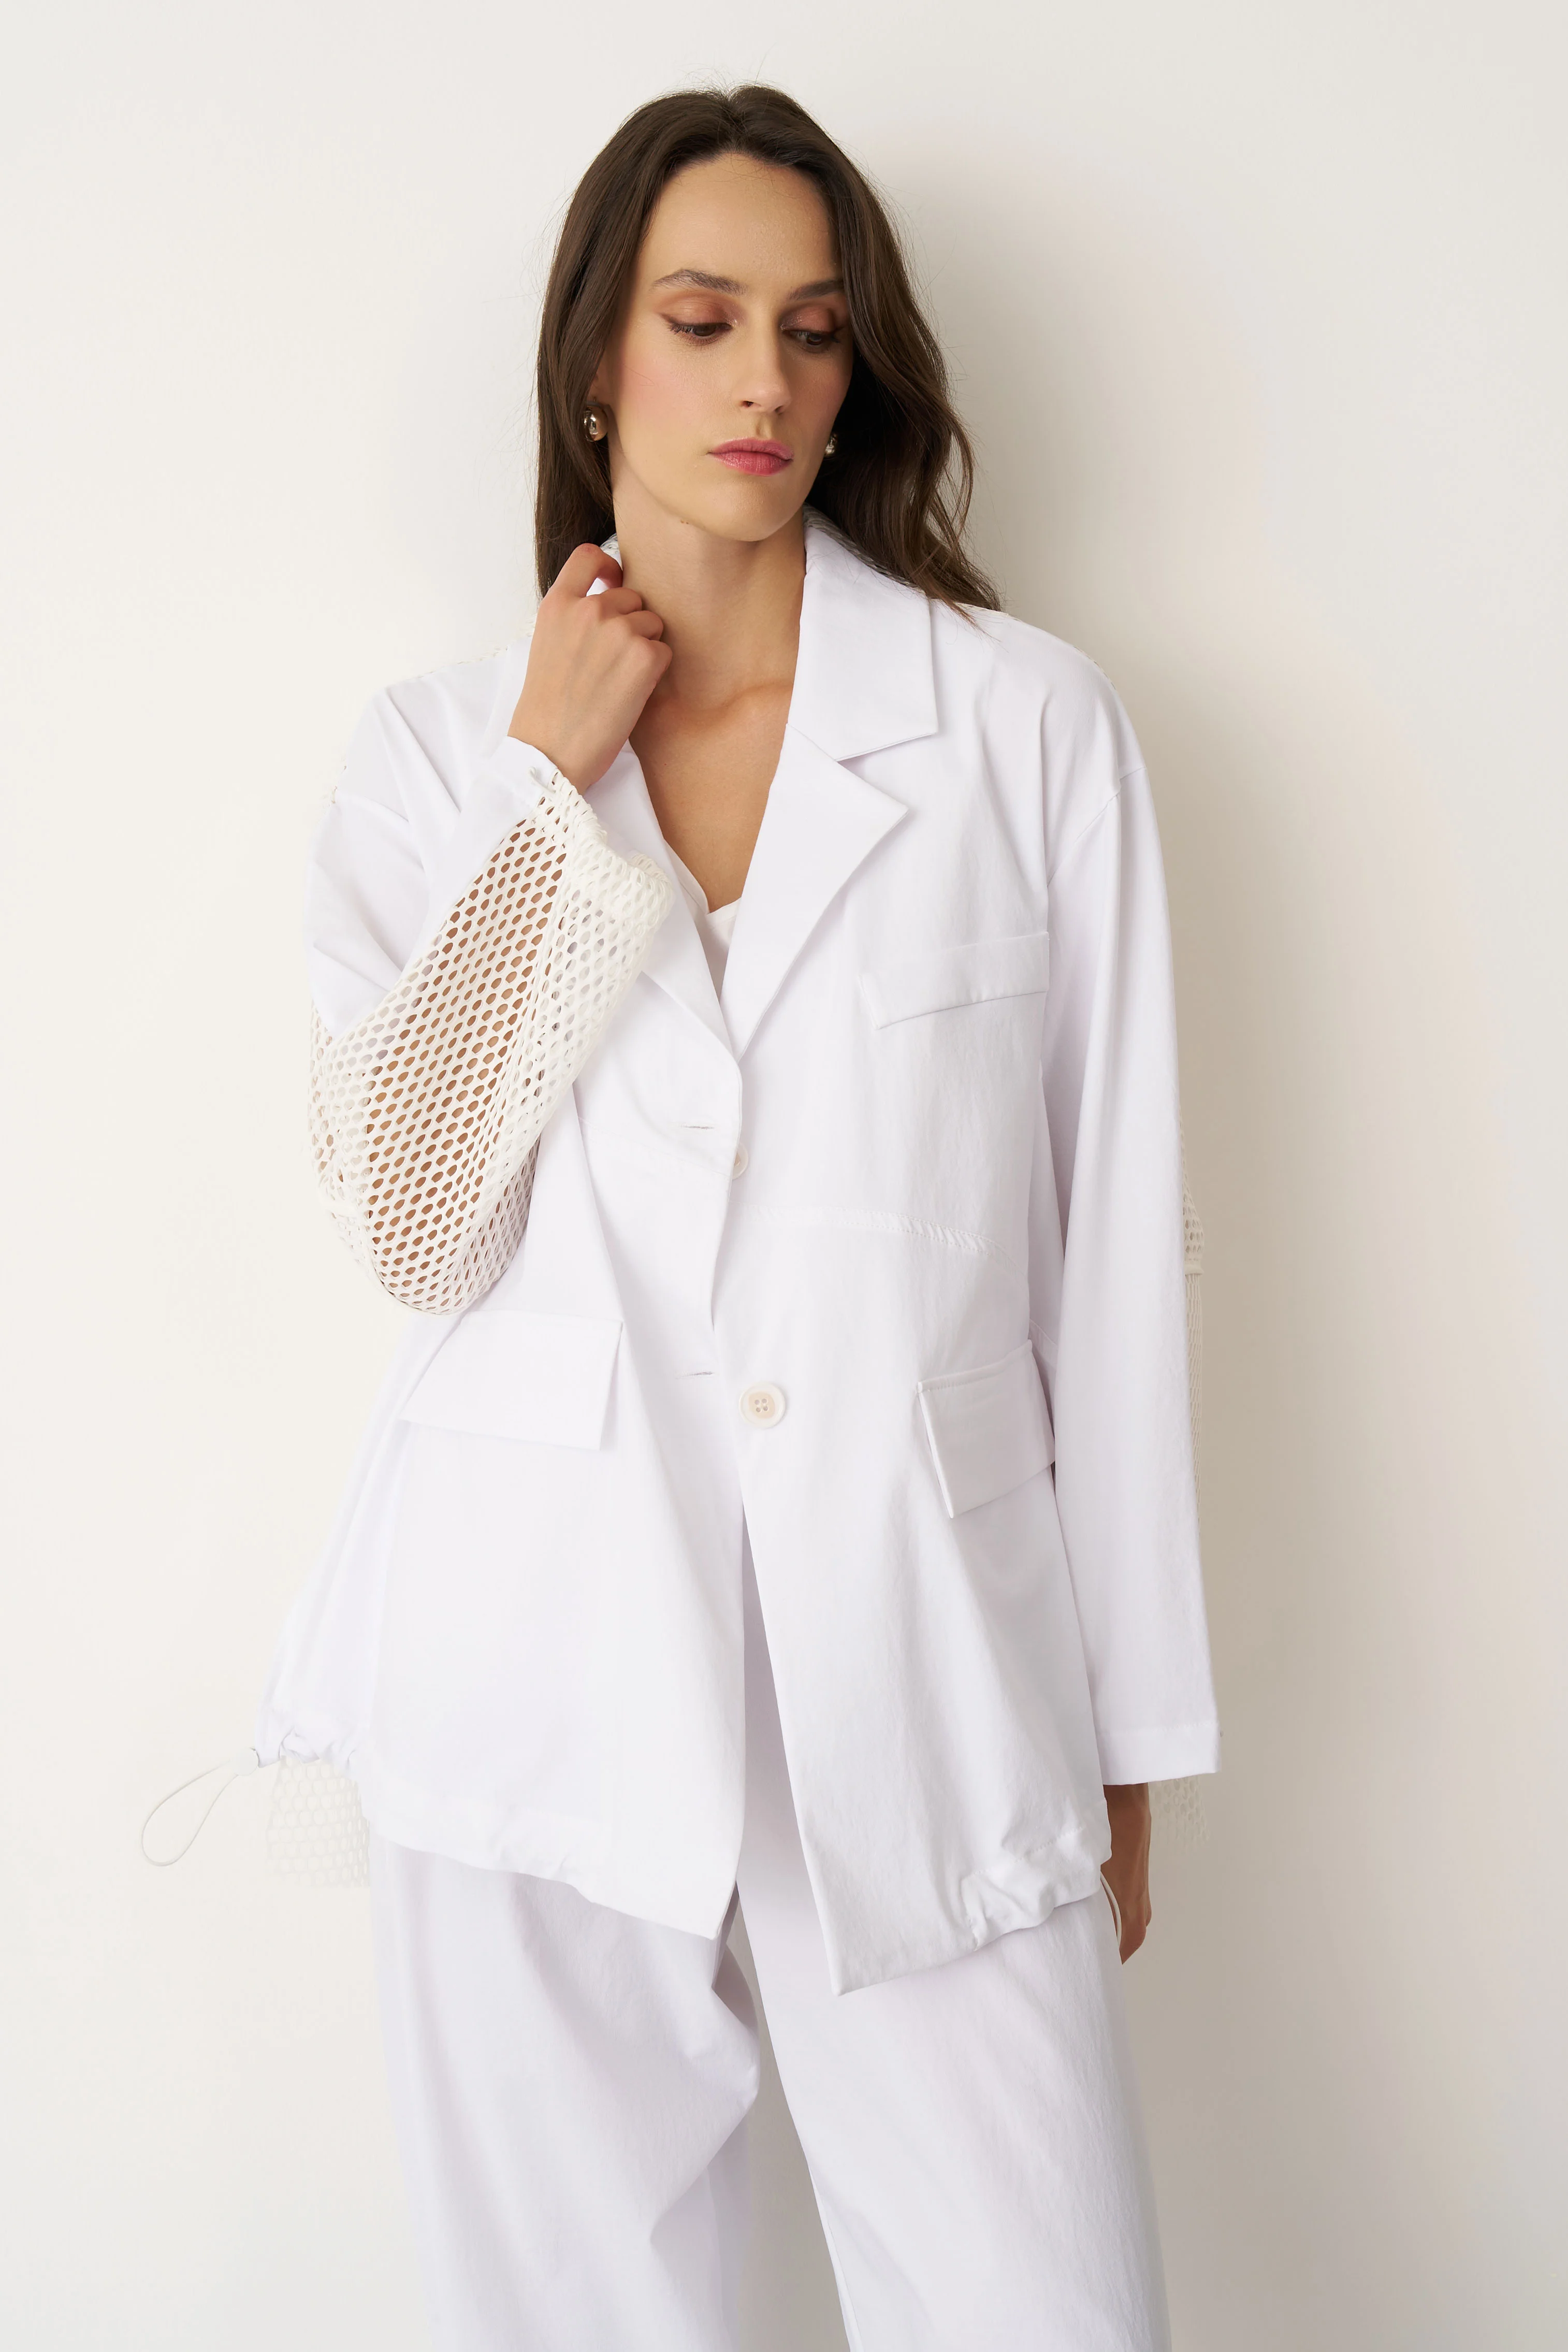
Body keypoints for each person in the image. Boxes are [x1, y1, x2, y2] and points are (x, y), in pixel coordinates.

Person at [256, 82, 1221, 2352]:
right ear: (599, 362)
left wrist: (1122, 1729)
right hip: (534, 1670)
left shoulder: (1023, 733)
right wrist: (545, 776)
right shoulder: (435, 762)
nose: (764, 380)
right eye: (702, 322)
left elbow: (1111, 1266)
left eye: (811, 327)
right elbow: (416, 1226)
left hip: (925, 1660)